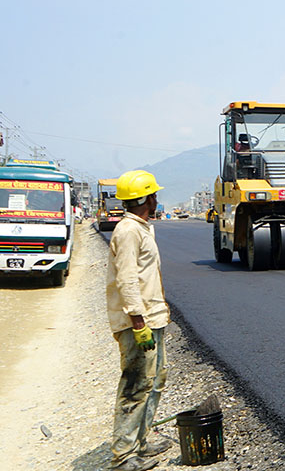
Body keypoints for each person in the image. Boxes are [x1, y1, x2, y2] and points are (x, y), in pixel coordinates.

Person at [106, 169, 170, 471]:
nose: (157, 199)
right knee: (135, 385)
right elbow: (127, 279)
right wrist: (137, 321)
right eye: (154, 195)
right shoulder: (129, 232)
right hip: (139, 323)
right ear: (146, 199)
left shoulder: (141, 227)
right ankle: (124, 455)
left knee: (155, 381)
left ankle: (141, 441)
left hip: (153, 318)